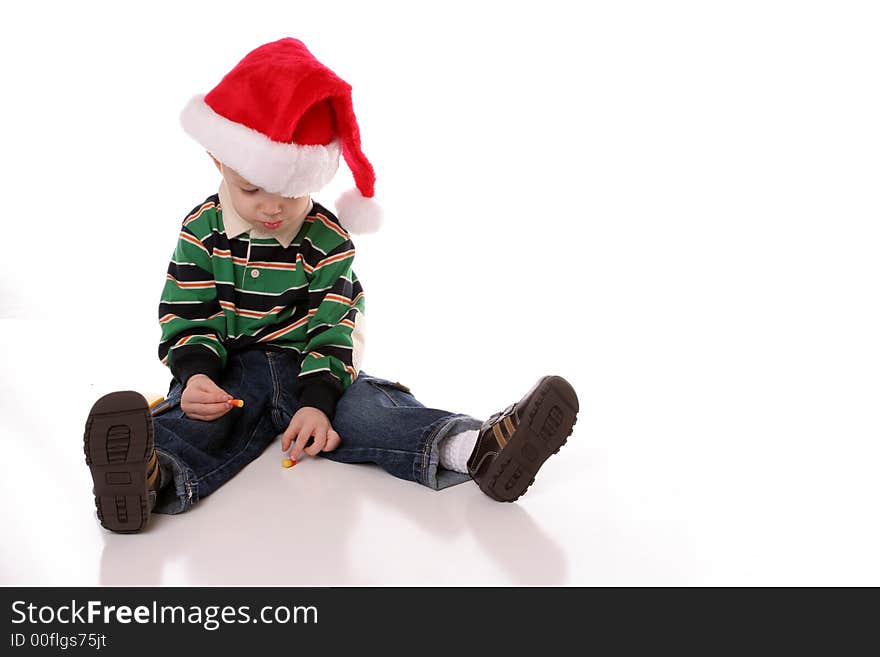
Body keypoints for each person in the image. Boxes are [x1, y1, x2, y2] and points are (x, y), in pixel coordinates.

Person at [83, 37, 579, 533]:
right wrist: (194, 375)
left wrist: (319, 401)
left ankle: (479, 450)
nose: (273, 209)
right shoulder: (202, 233)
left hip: (316, 368)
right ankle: (149, 475)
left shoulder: (326, 238)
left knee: (374, 413)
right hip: (231, 371)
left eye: (292, 193)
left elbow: (334, 320)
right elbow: (188, 312)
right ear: (219, 161)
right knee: (202, 422)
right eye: (252, 189)